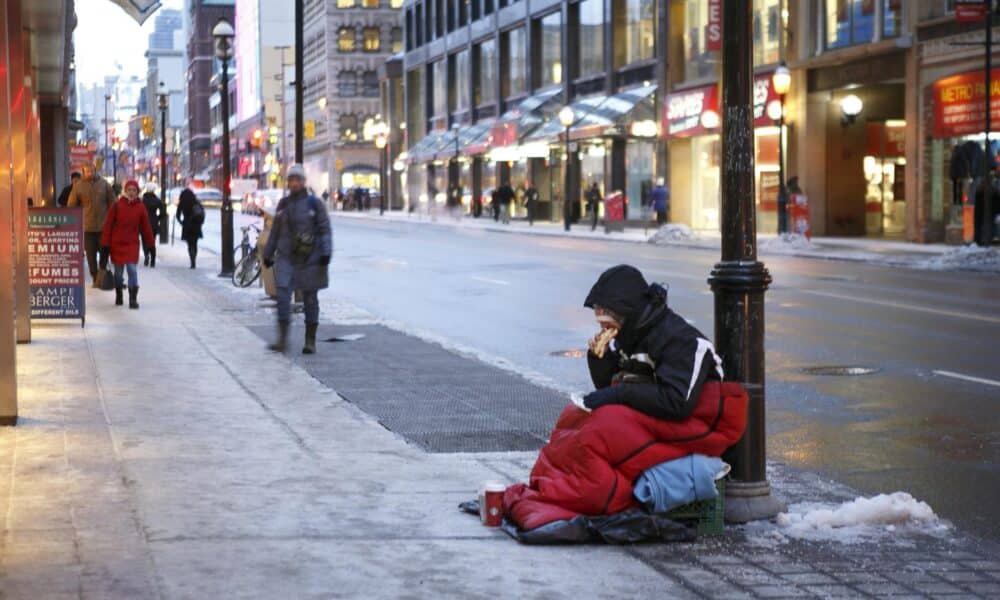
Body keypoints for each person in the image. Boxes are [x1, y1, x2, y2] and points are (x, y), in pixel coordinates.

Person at [581, 265, 723, 420]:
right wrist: (601, 358)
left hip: (700, 420)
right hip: (660, 415)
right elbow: (608, 388)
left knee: (599, 430)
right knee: (577, 417)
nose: (602, 326)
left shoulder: (680, 340)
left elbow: (676, 402)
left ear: (624, 311)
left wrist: (620, 393)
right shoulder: (631, 335)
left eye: (606, 317)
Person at [262, 164, 332, 355]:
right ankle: (282, 339)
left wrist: (326, 252)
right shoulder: (283, 205)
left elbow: (324, 229)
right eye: (291, 180)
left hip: (309, 258)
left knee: (310, 298)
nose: (294, 183)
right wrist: (268, 254)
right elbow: (275, 231)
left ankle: (310, 340)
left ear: (303, 182)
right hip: (286, 257)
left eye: (297, 180)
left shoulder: (314, 204)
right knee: (283, 296)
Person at [100, 180, 155, 309]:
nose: (131, 192)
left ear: (137, 192)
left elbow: (146, 228)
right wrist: (105, 245)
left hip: (132, 244)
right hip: (117, 244)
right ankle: (119, 294)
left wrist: (151, 245)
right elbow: (108, 226)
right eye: (129, 190)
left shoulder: (140, 207)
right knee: (118, 274)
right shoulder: (117, 205)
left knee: (132, 270)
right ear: (125, 191)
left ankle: (132, 299)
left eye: (134, 190)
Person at [67, 162, 115, 286]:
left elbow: (113, 203)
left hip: (103, 226)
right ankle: (95, 277)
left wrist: (113, 219)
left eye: (92, 171)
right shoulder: (78, 186)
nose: (90, 173)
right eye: (87, 171)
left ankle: (102, 274)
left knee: (104, 251)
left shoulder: (104, 185)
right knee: (90, 255)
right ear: (83, 172)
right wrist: (76, 217)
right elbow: (71, 205)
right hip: (87, 227)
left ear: (95, 170)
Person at [176, 188, 205, 269]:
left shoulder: (182, 203)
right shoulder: (196, 202)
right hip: (196, 225)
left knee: (189, 244)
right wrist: (200, 222)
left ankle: (192, 260)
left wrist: (181, 222)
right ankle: (194, 259)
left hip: (187, 225)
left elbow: (177, 215)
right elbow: (202, 213)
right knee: (195, 243)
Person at [141, 184, 164, 267]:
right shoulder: (157, 200)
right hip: (154, 222)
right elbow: (163, 212)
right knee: (152, 241)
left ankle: (146, 254)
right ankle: (153, 259)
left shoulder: (142, 200)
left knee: (144, 241)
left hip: (143, 222)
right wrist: (158, 218)